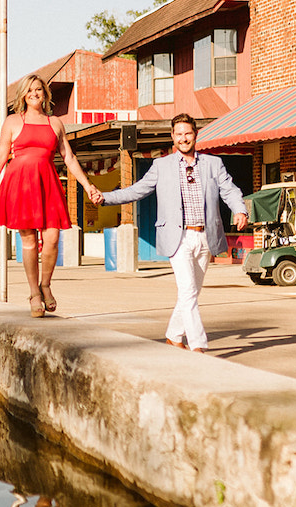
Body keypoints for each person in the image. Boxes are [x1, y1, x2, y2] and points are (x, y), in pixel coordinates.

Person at [90, 113, 248, 352]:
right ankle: (199, 346)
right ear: (173, 137)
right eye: (179, 134)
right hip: (178, 238)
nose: (184, 138)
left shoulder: (213, 164)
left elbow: (230, 190)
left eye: (188, 133)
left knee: (191, 292)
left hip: (205, 236)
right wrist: (105, 198)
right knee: (187, 290)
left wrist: (240, 210)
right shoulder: (161, 166)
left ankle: (174, 336)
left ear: (195, 135)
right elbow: (137, 191)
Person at [0, 74, 100, 317]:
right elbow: (1, 155)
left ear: (45, 94)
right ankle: (34, 292)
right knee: (29, 240)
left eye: (39, 90)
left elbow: (69, 158)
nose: (34, 93)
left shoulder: (56, 124)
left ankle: (46, 284)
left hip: (47, 182)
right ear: (23, 94)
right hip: (20, 183)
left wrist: (88, 186)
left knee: (52, 238)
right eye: (30, 90)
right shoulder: (13, 121)